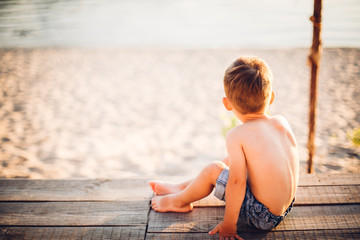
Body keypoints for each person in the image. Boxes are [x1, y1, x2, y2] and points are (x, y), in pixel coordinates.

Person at [149, 56, 299, 240]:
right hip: (286, 206)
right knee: (230, 160)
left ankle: (179, 201)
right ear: (271, 98)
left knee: (213, 169)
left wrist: (229, 223)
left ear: (227, 103)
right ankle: (182, 186)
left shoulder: (237, 135)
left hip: (262, 217)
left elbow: (237, 182)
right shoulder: (281, 122)